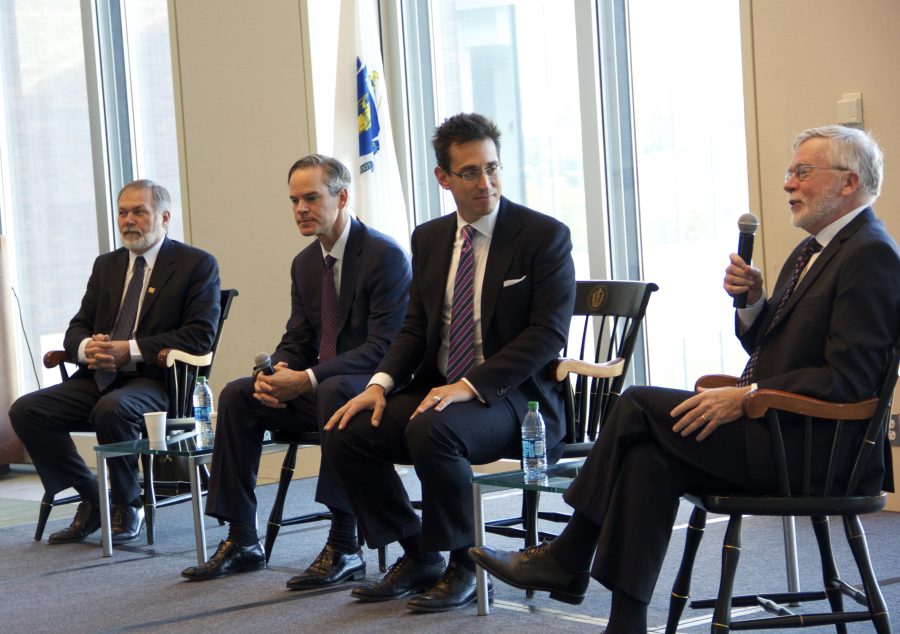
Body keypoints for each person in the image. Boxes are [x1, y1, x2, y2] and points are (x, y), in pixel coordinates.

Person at [470, 125, 900, 633]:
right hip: (779, 432)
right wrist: (756, 303)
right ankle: (624, 623)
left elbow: (851, 380)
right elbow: (771, 349)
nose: (788, 184)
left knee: (634, 405)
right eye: (790, 171)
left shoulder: (870, 254)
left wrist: (748, 397)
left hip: (816, 450)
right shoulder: (813, 251)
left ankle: (567, 555)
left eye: (802, 172)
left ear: (848, 183)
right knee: (648, 459)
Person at [324, 112, 576, 613]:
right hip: (440, 391)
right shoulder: (430, 238)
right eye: (470, 172)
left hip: (515, 401)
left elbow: (548, 335)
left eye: (492, 168)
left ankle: (464, 561)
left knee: (432, 428)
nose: (486, 182)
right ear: (443, 178)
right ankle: (418, 553)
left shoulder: (542, 236)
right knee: (347, 425)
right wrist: (379, 384)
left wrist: (470, 386)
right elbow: (415, 329)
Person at [180, 155, 411, 588]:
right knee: (236, 394)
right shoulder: (306, 263)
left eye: (310, 198)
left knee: (332, 390)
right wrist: (279, 372)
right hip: (325, 385)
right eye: (293, 201)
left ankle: (344, 545)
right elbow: (299, 336)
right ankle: (242, 539)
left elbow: (384, 346)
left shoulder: (385, 255)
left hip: (375, 390)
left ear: (341, 197)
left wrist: (305, 380)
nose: (300, 209)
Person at [10, 179, 221, 545]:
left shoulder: (195, 264)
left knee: (113, 409)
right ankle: (94, 497)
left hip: (157, 382)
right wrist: (86, 346)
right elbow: (78, 325)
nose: (129, 220)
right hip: (100, 378)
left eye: (140, 211)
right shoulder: (107, 265)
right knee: (27, 410)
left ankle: (127, 504)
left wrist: (132, 349)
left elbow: (200, 336)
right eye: (123, 212)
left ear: (164, 217)